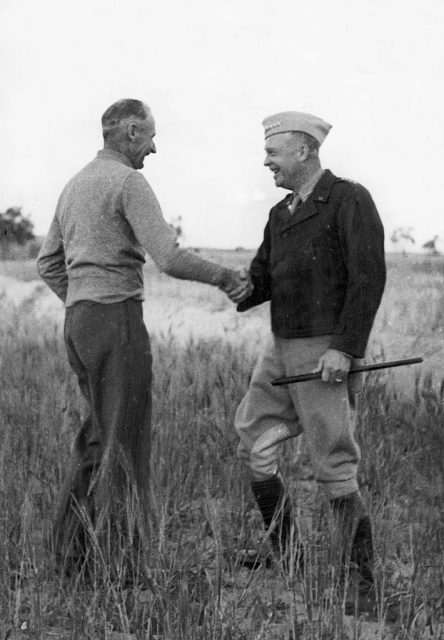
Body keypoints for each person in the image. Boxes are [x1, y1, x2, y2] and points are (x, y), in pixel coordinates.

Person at [37, 98, 251, 576]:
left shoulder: (74, 184)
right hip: (117, 321)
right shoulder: (129, 182)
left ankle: (70, 561)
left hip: (79, 323)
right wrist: (224, 278)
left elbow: (47, 263)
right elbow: (169, 258)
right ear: (131, 132)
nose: (154, 147)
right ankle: (124, 572)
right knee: (126, 444)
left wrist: (82, 298)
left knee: (95, 440)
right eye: (151, 136)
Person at [235, 111, 386, 614]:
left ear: (303, 151)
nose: (265, 161)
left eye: (272, 152)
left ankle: (361, 587)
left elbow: (368, 277)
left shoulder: (349, 198)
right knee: (254, 438)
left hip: (325, 349)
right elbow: (263, 277)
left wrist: (344, 347)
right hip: (281, 346)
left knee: (333, 461)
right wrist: (236, 284)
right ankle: (289, 556)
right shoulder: (280, 214)